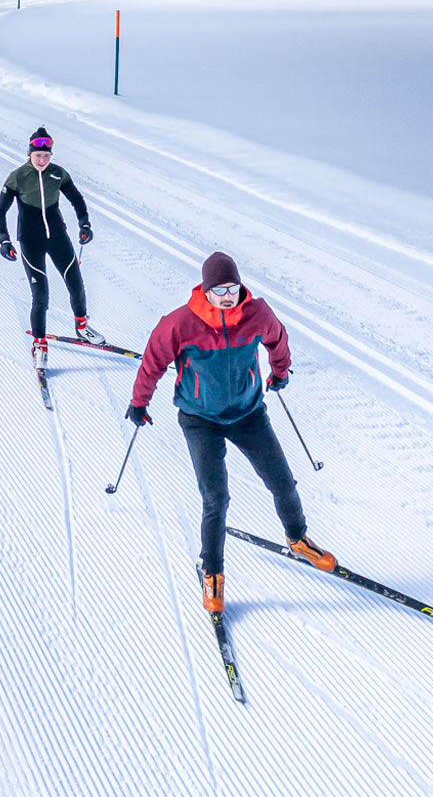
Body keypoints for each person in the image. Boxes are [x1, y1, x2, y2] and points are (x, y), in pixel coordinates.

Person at [127, 251, 334, 615]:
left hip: (248, 413)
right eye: (219, 289)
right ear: (205, 291)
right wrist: (139, 403)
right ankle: (212, 572)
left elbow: (278, 339)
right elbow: (152, 364)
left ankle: (298, 537)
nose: (227, 295)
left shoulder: (257, 313)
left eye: (233, 288)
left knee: (283, 481)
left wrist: (280, 371)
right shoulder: (178, 324)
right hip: (199, 419)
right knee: (216, 498)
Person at [0, 126, 96, 363]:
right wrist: (4, 239)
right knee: (41, 295)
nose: (42, 160)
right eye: (38, 156)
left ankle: (81, 326)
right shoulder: (18, 177)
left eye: (46, 156)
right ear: (29, 154)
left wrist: (84, 225)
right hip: (31, 242)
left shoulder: (59, 174)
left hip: (58, 237)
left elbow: (77, 199)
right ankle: (39, 345)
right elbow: (0, 210)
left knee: (76, 283)